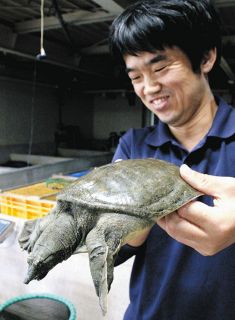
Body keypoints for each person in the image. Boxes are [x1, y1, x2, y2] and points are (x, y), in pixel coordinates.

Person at [109, 0, 235, 319]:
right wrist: (126, 223)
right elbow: (111, 253)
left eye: (161, 68)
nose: (149, 88)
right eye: (136, 77)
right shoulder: (132, 146)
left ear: (206, 58)